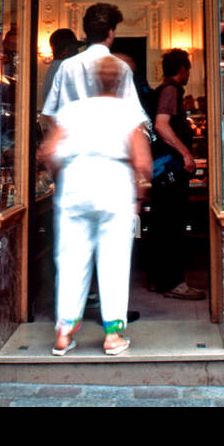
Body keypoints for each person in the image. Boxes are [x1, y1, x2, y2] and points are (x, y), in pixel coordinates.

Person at [41, 56, 152, 356]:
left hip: (75, 184)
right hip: (114, 184)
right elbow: (143, 162)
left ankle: (63, 334)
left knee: (71, 259)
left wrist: (62, 176)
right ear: (119, 82)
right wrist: (140, 195)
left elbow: (48, 151)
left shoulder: (71, 111)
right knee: (113, 260)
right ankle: (112, 337)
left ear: (92, 81)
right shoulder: (127, 111)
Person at [147, 48, 205, 300]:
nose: (189, 73)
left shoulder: (165, 90)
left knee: (161, 222)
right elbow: (161, 125)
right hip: (169, 169)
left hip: (162, 170)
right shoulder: (171, 90)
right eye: (188, 68)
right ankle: (173, 282)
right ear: (182, 69)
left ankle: (157, 279)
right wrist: (186, 154)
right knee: (171, 223)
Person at [41, 3, 145, 129]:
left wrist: (65, 134)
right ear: (111, 33)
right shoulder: (120, 67)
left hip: (73, 143)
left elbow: (48, 112)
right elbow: (134, 113)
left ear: (86, 31)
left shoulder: (67, 66)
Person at [39, 28, 79, 105]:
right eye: (75, 49)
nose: (77, 53)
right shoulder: (65, 71)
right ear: (65, 51)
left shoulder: (54, 70)